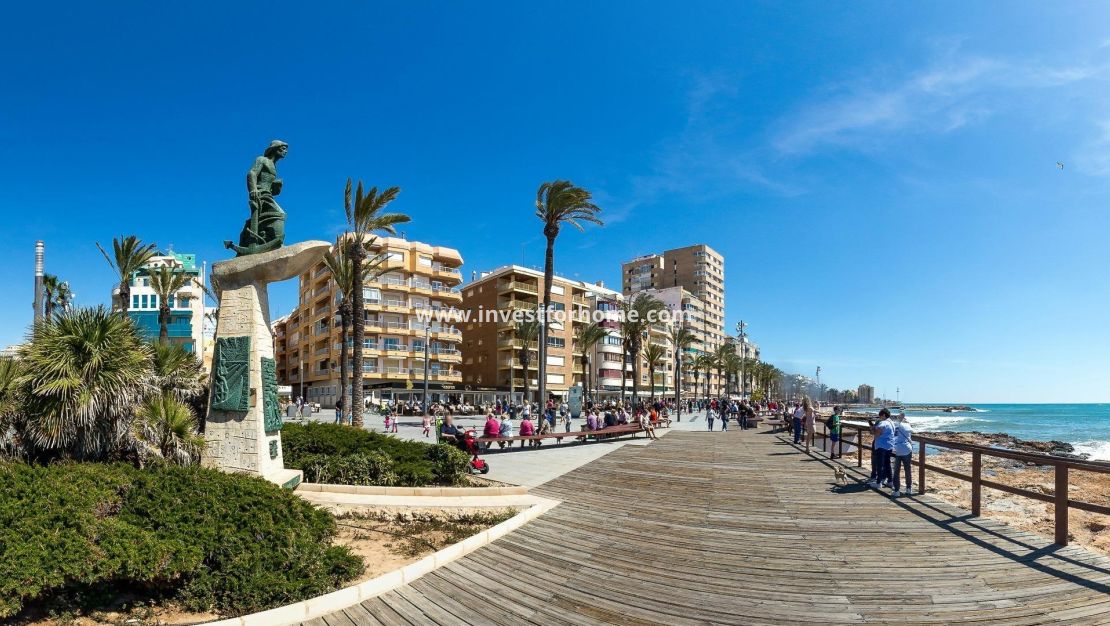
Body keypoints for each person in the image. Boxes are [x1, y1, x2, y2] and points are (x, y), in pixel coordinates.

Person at [868, 409, 896, 489]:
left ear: (883, 415)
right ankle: (890, 481)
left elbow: (877, 433)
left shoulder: (883, 423)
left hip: (881, 446)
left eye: (880, 416)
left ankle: (878, 482)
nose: (879, 417)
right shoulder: (891, 423)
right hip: (889, 445)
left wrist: (872, 429)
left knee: (880, 464)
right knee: (887, 463)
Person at [891, 412, 914, 496]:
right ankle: (909, 489)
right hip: (907, 449)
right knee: (907, 470)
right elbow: (912, 431)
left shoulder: (895, 425)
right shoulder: (907, 425)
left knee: (896, 471)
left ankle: (896, 490)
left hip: (897, 449)